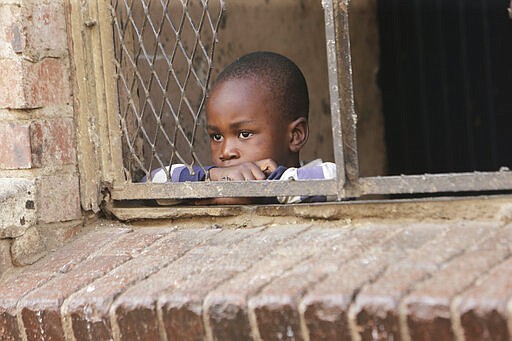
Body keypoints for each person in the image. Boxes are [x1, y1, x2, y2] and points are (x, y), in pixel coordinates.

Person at [147, 51, 335, 204]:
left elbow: (341, 180)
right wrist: (212, 177)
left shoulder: (318, 178)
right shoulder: (214, 186)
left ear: (295, 136)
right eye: (217, 136)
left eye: (244, 134)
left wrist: (261, 189)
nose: (226, 152)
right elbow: (150, 183)